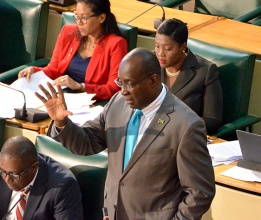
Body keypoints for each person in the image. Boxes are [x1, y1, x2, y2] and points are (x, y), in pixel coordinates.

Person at [35, 48, 215, 219]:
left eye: (130, 84)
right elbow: (88, 142)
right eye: (120, 82)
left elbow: (200, 191)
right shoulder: (118, 103)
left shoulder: (186, 125)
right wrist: (62, 123)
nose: (123, 91)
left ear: (153, 80)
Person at [18, 0, 128, 102]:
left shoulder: (116, 44)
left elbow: (113, 89)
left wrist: (80, 86)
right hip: (60, 96)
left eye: (84, 18)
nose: (79, 22)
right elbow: (54, 69)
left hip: (88, 103)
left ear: (101, 18)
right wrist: (34, 70)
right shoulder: (68, 32)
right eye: (77, 16)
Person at [155, 18, 223, 135]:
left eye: (167, 49)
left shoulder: (205, 72)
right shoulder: (149, 63)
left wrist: (182, 124)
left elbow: (213, 120)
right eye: (157, 46)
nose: (160, 53)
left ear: (183, 47)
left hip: (183, 137)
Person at [0, 136, 83, 219]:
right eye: (3, 172)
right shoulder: (5, 167)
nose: (7, 179)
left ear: (34, 168)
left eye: (14, 175)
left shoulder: (63, 187)